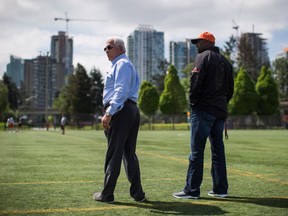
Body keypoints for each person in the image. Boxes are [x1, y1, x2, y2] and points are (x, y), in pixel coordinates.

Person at [173, 32, 234, 199]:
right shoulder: (226, 62)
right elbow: (230, 90)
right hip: (220, 113)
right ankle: (220, 189)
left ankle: (191, 190)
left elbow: (195, 81)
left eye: (198, 42)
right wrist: (221, 104)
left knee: (197, 152)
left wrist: (193, 103)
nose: (196, 45)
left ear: (207, 42)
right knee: (218, 151)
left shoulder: (203, 57)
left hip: (203, 111)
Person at [93, 36, 146, 204]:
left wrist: (109, 112)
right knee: (128, 154)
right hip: (130, 110)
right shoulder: (123, 65)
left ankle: (107, 194)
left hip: (121, 110)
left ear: (120, 48)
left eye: (109, 47)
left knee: (114, 154)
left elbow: (121, 90)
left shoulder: (121, 64)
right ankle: (138, 194)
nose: (106, 51)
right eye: (105, 48)